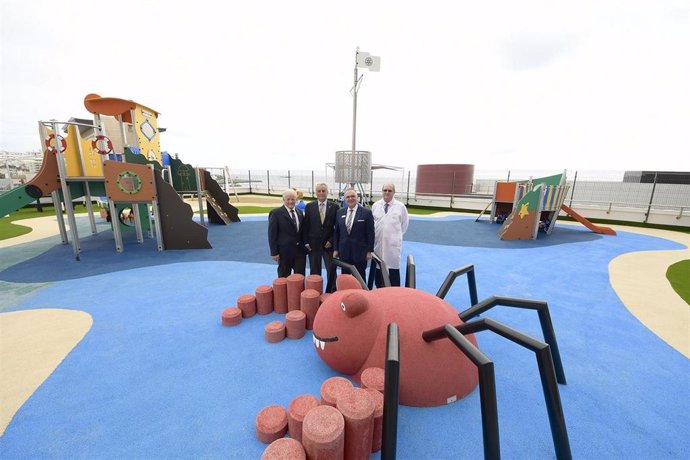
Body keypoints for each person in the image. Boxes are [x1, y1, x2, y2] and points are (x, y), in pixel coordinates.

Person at [302, 183, 339, 292]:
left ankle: (332, 291)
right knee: (314, 270)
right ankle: (315, 291)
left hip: (328, 245)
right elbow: (306, 226)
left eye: (323, 191)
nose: (321, 193)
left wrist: (331, 241)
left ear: (327, 192)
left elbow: (338, 228)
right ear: (316, 193)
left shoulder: (335, 207)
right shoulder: (309, 206)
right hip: (313, 245)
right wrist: (306, 242)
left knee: (331, 270)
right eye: (319, 191)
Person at [372, 183, 409, 287]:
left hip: (393, 246)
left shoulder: (400, 207)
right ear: (382, 191)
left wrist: (394, 237)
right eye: (385, 190)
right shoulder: (376, 205)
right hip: (378, 244)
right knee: (378, 270)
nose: (387, 192)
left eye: (389, 190)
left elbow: (404, 225)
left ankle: (395, 293)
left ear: (394, 192)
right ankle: (379, 290)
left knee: (393, 270)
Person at [333, 188, 375, 280]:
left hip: (360, 253)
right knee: (345, 279)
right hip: (344, 252)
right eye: (347, 197)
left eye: (353, 196)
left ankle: (361, 294)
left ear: (357, 198)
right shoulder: (340, 212)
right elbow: (337, 232)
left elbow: (370, 233)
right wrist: (336, 249)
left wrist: (369, 251)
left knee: (360, 278)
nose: (350, 199)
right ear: (344, 199)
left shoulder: (366, 212)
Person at [268, 189, 307, 277]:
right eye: (288, 199)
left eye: (293, 199)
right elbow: (272, 234)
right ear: (284, 200)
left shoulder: (300, 213)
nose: (290, 201)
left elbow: (302, 232)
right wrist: (274, 252)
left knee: (300, 277)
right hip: (284, 252)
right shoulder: (275, 213)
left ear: (296, 199)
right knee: (284, 277)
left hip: (299, 252)